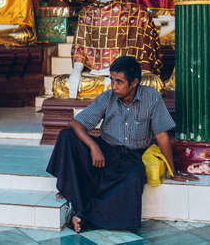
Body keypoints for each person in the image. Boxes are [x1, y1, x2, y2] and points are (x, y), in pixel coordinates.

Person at [47, 56, 197, 233]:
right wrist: (94, 148)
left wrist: (172, 171)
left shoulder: (152, 98)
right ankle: (68, 187)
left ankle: (85, 215)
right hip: (104, 151)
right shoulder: (107, 98)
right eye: (112, 80)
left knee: (133, 179)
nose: (114, 86)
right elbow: (76, 123)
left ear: (134, 83)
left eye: (119, 81)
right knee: (67, 136)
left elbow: (162, 136)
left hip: (131, 157)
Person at [53, 0, 162, 99]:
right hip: (97, 76)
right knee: (61, 83)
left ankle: (116, 89)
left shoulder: (138, 13)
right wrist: (76, 73)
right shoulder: (87, 13)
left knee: (152, 83)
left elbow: (148, 60)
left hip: (129, 77)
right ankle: (115, 89)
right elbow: (79, 50)